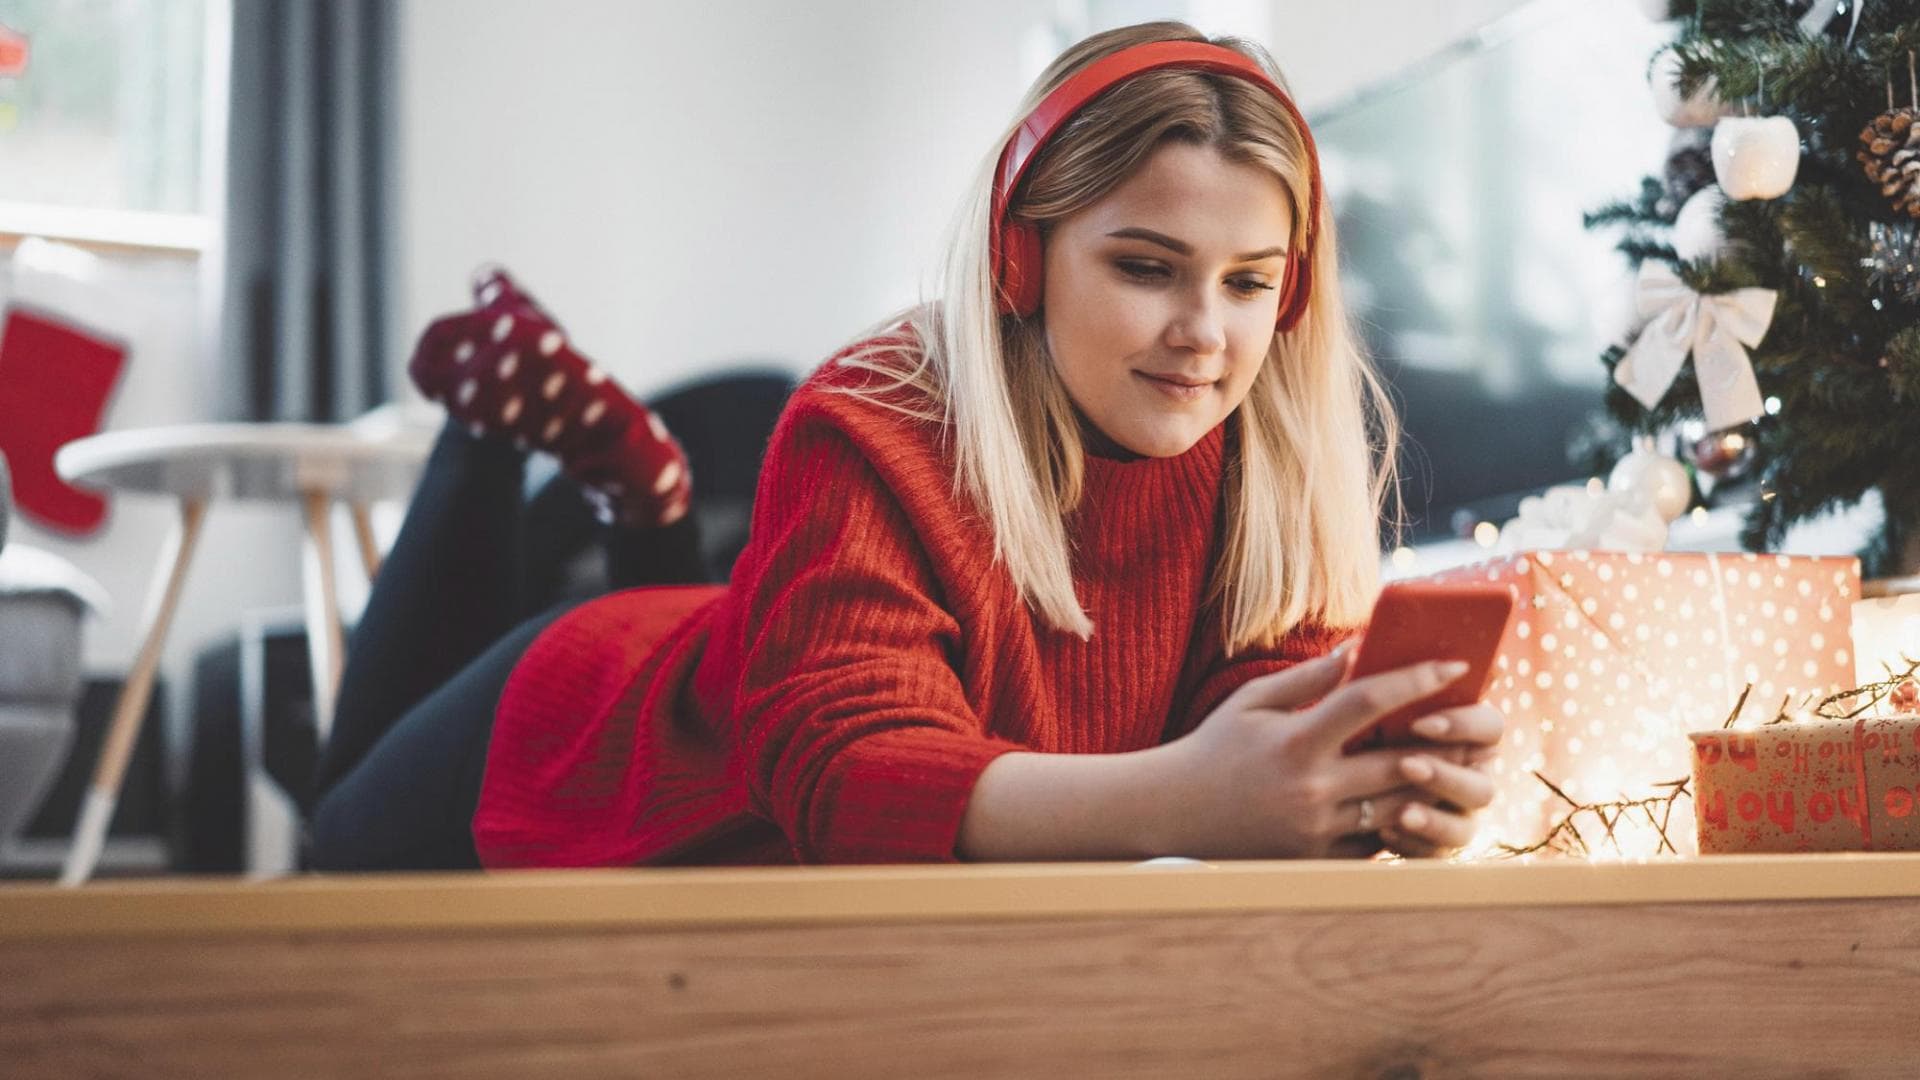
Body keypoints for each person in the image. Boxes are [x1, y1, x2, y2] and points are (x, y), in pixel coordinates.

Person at [307, 21, 1506, 871]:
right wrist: (1191, 797)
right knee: (331, 836)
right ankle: (485, 434)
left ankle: (647, 502)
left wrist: (1353, 786)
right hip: (587, 738)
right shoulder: (875, 414)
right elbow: (849, 779)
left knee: (723, 632)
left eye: (1250, 282)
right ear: (1019, 259)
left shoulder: (1271, 461)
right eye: (1145, 267)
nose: (1206, 335)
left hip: (737, 655)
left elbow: (1238, 739)